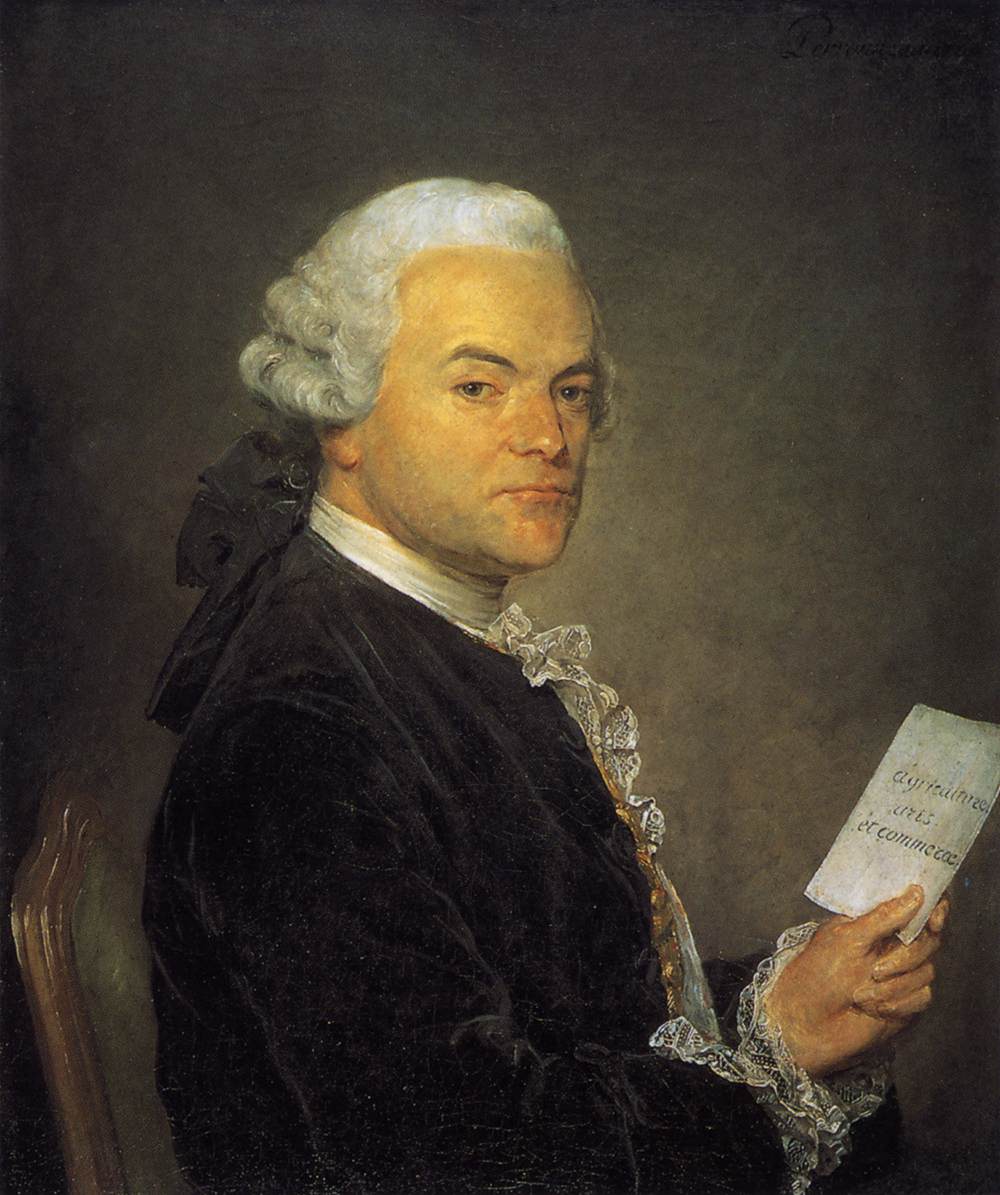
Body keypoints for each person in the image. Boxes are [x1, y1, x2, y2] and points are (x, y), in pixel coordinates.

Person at [144, 179, 947, 1195]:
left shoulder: (428, 644)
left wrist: (783, 1001)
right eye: (480, 387)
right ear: (341, 418)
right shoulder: (298, 726)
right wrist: (776, 1050)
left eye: (569, 389)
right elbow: (452, 1148)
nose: (549, 437)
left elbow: (575, 1012)